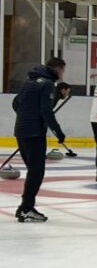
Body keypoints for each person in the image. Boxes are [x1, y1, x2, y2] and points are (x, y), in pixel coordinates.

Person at [11, 58, 67, 223]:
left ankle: (26, 207)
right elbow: (46, 111)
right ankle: (26, 209)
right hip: (34, 133)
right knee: (36, 173)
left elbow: (16, 103)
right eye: (63, 71)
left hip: (21, 131)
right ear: (57, 69)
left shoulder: (29, 80)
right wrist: (58, 132)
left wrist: (25, 117)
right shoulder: (48, 83)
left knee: (33, 172)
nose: (63, 74)